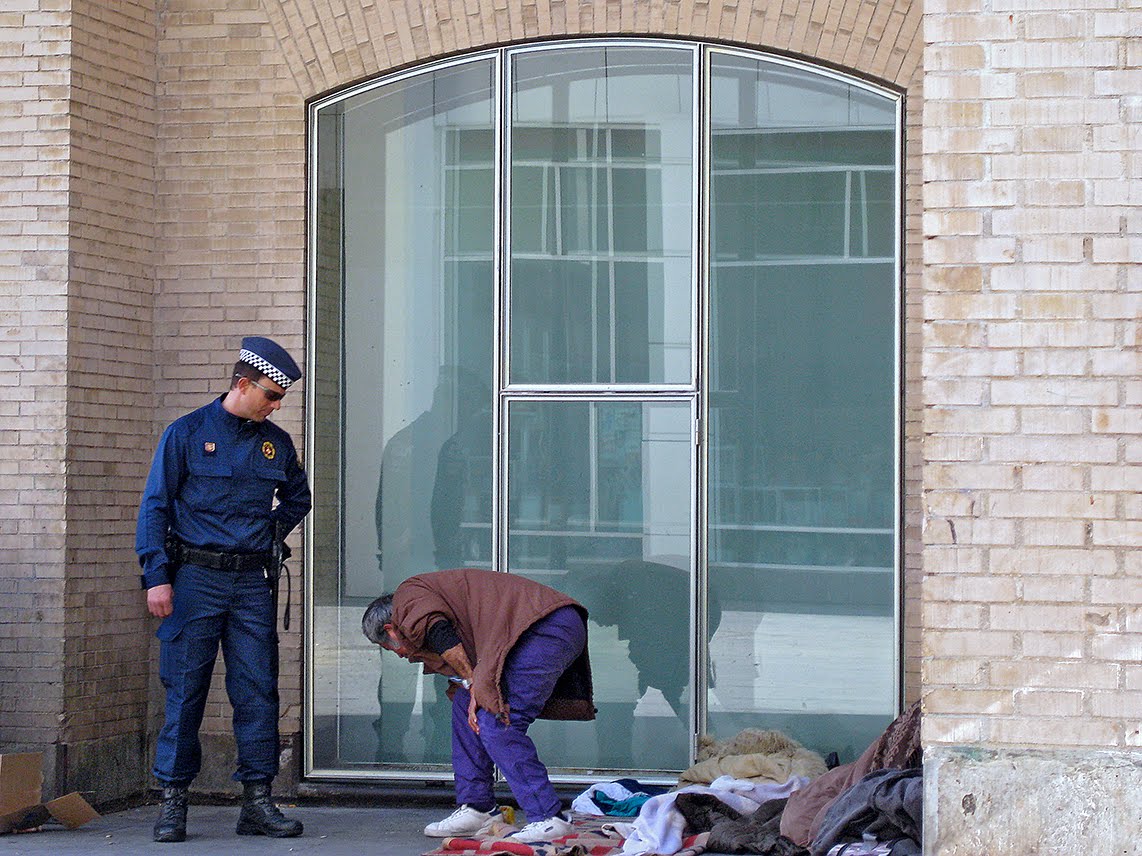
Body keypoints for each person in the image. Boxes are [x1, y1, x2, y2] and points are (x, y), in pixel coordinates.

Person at [136, 336, 312, 843]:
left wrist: (269, 533)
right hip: (195, 579)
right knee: (185, 690)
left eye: (280, 398)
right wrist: (156, 576)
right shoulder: (187, 433)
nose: (275, 405)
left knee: (258, 690)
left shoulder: (276, 443)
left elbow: (298, 497)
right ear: (243, 383)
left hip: (252, 583)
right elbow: (155, 507)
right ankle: (173, 802)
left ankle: (257, 800)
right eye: (271, 395)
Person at [362, 568, 594, 844]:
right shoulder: (418, 600)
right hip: (533, 631)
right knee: (464, 704)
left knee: (497, 720)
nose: (400, 655)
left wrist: (475, 685)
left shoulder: (408, 600)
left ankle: (548, 816)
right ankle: (478, 807)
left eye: (390, 648)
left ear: (390, 630)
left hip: (544, 627)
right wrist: (472, 688)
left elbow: (441, 634)